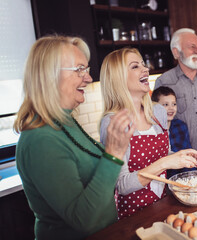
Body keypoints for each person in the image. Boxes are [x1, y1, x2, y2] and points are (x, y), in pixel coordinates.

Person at [14, 35, 134, 240]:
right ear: (49, 76)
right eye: (79, 69)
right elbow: (84, 220)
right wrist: (114, 153)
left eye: (86, 70)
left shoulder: (65, 121)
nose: (88, 78)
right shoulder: (41, 140)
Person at [99, 47, 197, 219]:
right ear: (118, 78)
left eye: (143, 64)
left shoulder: (158, 112)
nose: (145, 69)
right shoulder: (113, 122)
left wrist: (180, 155)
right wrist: (166, 162)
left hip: (162, 204)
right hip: (132, 215)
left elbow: (163, 153)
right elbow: (122, 185)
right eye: (135, 66)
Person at [151, 86, 196, 178]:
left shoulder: (181, 126)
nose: (171, 108)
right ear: (154, 107)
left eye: (174, 104)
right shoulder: (151, 131)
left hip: (184, 178)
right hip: (162, 180)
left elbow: (188, 154)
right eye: (165, 105)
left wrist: (192, 176)